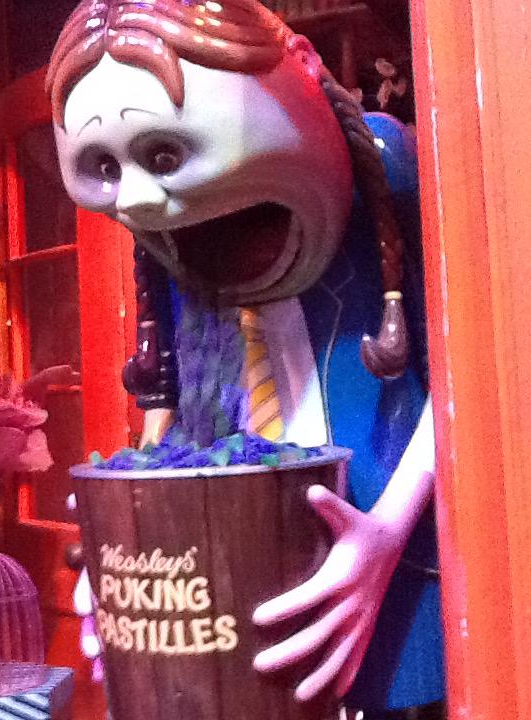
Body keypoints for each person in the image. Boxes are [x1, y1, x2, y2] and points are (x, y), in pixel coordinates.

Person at [46, 1, 444, 716]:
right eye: (104, 165)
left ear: (306, 67)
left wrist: (386, 532)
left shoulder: (392, 173)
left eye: (163, 155)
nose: (137, 196)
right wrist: (133, 536)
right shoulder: (169, 233)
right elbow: (178, 416)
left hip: (403, 592)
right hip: (247, 583)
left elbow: (470, 374)